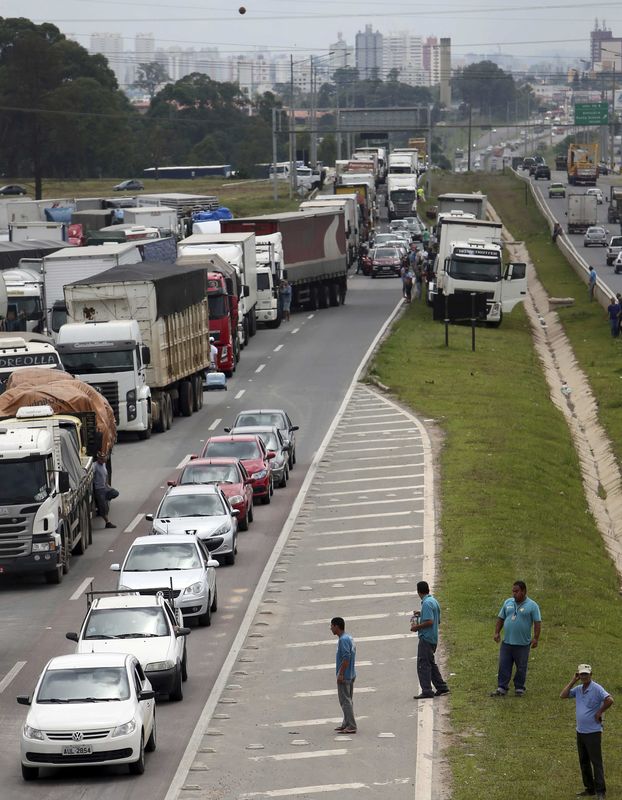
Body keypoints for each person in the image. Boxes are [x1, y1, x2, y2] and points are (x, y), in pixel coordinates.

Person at [560, 664, 613, 800]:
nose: (584, 676)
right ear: (578, 674)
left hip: (593, 732)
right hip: (581, 732)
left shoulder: (596, 688)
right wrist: (573, 681)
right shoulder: (578, 689)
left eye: (586, 674)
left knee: (596, 762)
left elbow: (609, 699)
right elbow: (563, 695)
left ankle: (601, 791)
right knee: (584, 761)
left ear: (591, 674)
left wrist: (599, 712)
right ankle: (590, 789)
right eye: (581, 674)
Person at [491, 580, 541, 697]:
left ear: (523, 591)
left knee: (521, 667)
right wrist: (497, 632)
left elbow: (537, 623)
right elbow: (501, 618)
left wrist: (536, 638)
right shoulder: (508, 602)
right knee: (504, 665)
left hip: (522, 644)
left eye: (516, 591)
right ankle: (502, 687)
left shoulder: (532, 606)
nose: (514, 594)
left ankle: (519, 688)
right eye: (513, 591)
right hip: (507, 642)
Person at [411, 581, 449, 699]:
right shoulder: (433, 601)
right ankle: (442, 687)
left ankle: (427, 690)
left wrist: (416, 627)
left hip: (426, 639)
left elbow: (430, 621)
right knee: (431, 664)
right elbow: (437, 620)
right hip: (433, 638)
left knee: (423, 665)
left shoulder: (426, 603)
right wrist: (421, 613)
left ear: (419, 592)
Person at [330, 617, 356, 734]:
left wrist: (340, 673)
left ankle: (351, 725)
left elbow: (346, 658)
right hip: (350, 673)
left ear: (336, 626)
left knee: (345, 701)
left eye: (331, 626)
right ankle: (346, 723)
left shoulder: (343, 640)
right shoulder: (348, 637)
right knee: (347, 700)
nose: (330, 628)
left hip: (345, 675)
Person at [94, 452, 116, 529]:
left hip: (104, 488)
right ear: (98, 459)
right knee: (103, 508)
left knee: (115, 493)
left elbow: (106, 475)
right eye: (102, 459)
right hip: (99, 489)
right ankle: (107, 522)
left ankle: (105, 500)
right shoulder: (95, 466)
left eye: (104, 458)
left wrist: (107, 485)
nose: (104, 460)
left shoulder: (103, 465)